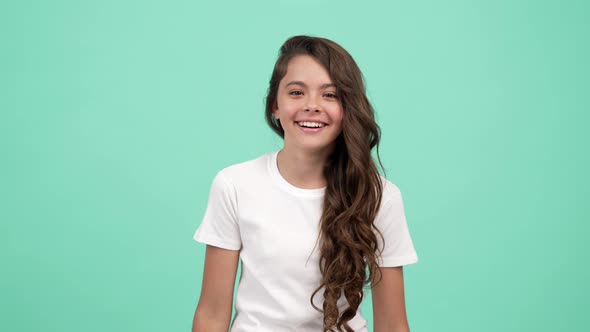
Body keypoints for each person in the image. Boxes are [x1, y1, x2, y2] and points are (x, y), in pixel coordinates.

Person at [192, 35, 418, 332]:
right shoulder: (234, 184)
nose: (312, 106)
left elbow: (393, 324)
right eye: (296, 92)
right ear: (275, 105)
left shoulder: (379, 196)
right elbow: (211, 315)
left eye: (330, 95)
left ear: (348, 107)